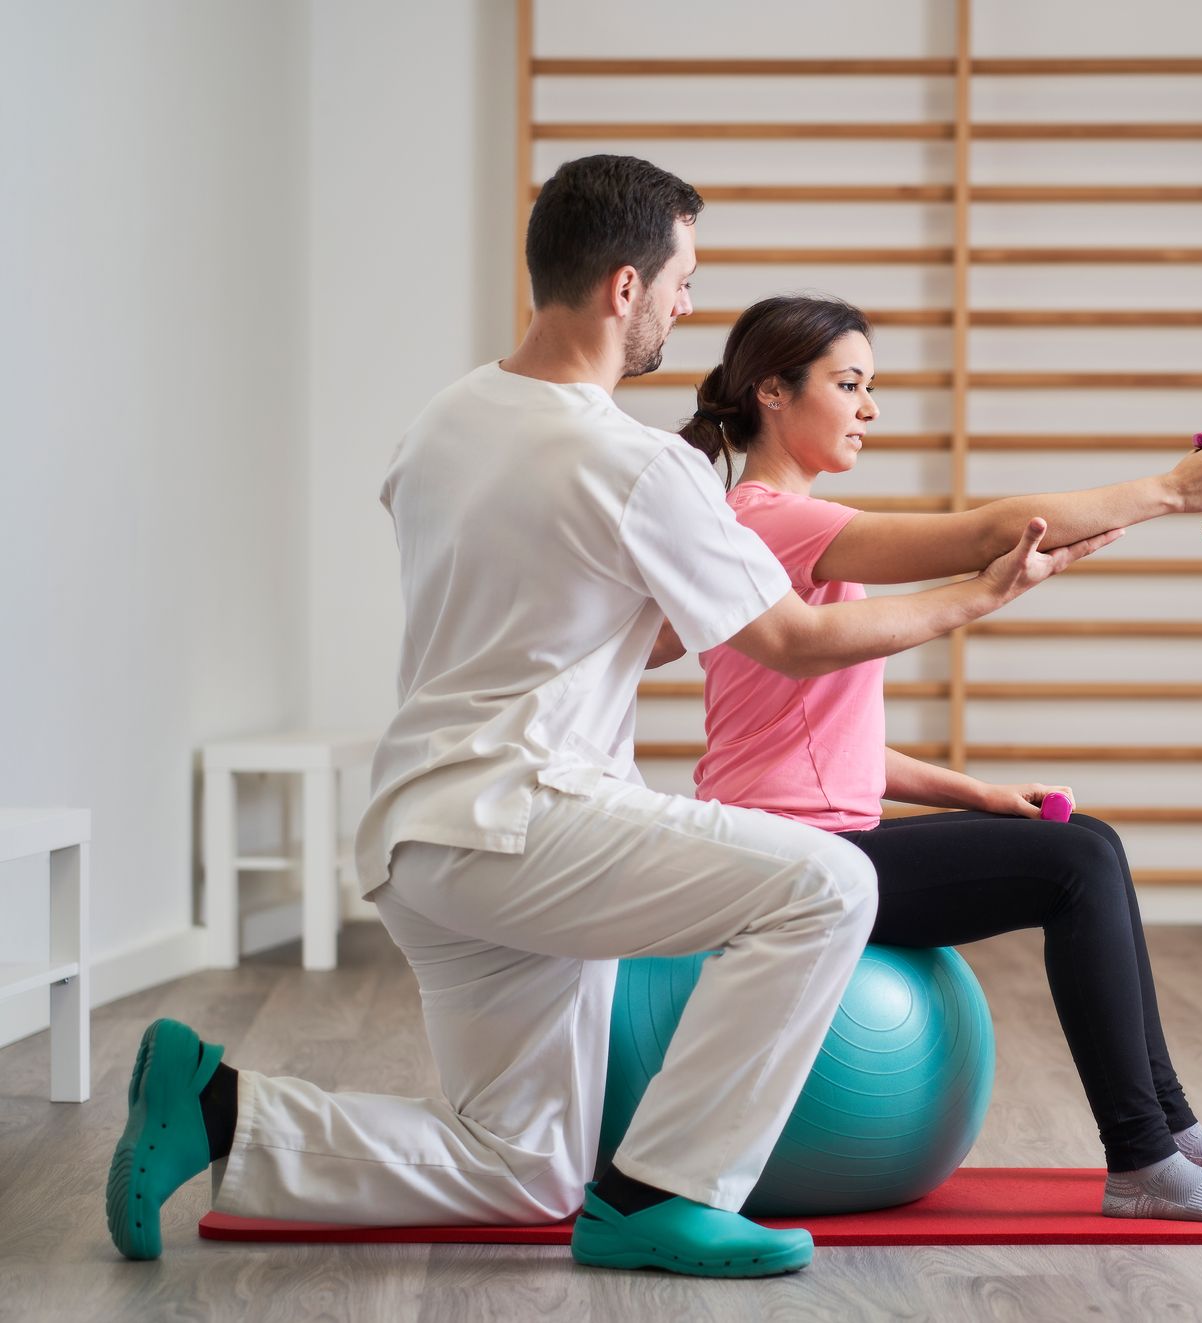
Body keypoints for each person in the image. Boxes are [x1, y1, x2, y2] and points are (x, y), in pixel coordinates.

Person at [104, 157, 1115, 1278]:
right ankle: (662, 1195)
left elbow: (575, 611)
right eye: (683, 277)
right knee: (828, 884)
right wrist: (980, 596)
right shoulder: (632, 464)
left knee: (524, 1167)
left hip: (419, 835)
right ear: (625, 288)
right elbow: (788, 640)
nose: (690, 303)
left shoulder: (442, 422)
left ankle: (219, 1112)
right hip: (525, 816)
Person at [674, 294, 1202, 1224]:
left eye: (870, 387)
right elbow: (984, 529)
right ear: (772, 390)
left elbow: (817, 739)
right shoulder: (770, 520)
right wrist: (1172, 490)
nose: (870, 409)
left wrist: (981, 793)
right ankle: (1139, 1160)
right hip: (790, 868)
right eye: (849, 385)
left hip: (817, 835)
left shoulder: (774, 524)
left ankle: (1171, 1126)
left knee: (1088, 838)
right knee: (1077, 863)